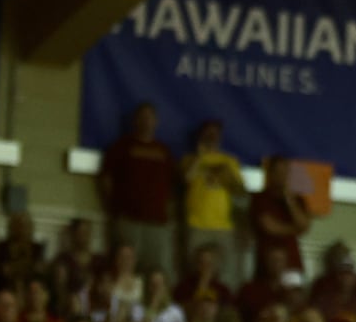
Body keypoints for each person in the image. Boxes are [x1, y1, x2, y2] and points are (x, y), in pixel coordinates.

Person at [98, 103, 177, 275]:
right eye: (142, 117)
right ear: (135, 121)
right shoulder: (121, 147)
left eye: (149, 118)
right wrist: (111, 207)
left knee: (153, 268)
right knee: (124, 267)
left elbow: (172, 186)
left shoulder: (164, 151)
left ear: (156, 122)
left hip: (156, 222)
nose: (146, 121)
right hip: (128, 220)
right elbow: (106, 180)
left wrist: (168, 212)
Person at [181, 121, 246, 281]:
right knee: (194, 272)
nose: (211, 137)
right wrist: (201, 156)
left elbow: (239, 192)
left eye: (215, 133)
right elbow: (186, 179)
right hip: (196, 224)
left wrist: (226, 171)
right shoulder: (189, 159)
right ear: (200, 135)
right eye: (208, 133)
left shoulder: (230, 161)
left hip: (223, 227)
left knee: (224, 273)